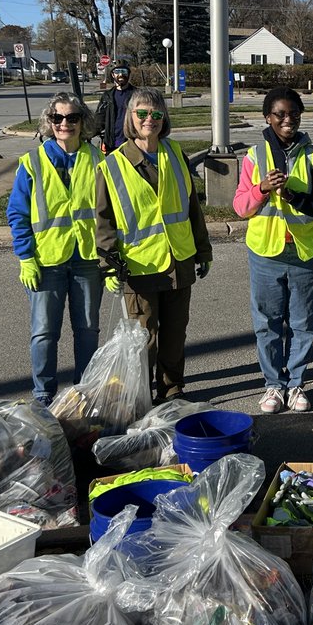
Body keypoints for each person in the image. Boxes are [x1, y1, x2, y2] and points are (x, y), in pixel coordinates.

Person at [95, 87, 213, 402]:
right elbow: (103, 221)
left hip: (179, 260)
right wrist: (108, 265)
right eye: (142, 113)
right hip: (139, 267)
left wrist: (204, 250)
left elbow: (191, 209)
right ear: (131, 119)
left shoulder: (175, 153)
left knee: (175, 336)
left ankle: (172, 391)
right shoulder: (112, 164)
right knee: (143, 339)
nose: (150, 119)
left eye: (157, 114)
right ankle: (140, 396)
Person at [234, 88, 313, 414]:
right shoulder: (254, 156)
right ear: (268, 118)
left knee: (303, 322)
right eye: (280, 114)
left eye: (293, 113)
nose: (288, 119)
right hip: (266, 252)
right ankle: (273, 385)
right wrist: (262, 188)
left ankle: (297, 383)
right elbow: (240, 207)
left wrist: (292, 195)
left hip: (305, 252)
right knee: (268, 323)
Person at [7, 92, 103, 406]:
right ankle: (44, 394)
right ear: (49, 123)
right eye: (57, 118)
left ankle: (84, 391)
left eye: (72, 118)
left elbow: (113, 209)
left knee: (87, 329)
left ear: (82, 122)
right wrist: (25, 257)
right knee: (44, 332)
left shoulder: (98, 160)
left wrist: (112, 258)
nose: (65, 124)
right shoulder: (32, 162)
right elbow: (17, 213)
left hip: (87, 258)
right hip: (46, 260)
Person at [94, 61, 135, 154]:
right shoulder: (107, 96)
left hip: (132, 143)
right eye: (117, 72)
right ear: (113, 75)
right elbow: (99, 119)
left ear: (128, 74)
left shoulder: (137, 95)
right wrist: (88, 133)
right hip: (111, 144)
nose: (121, 74)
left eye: (124, 71)